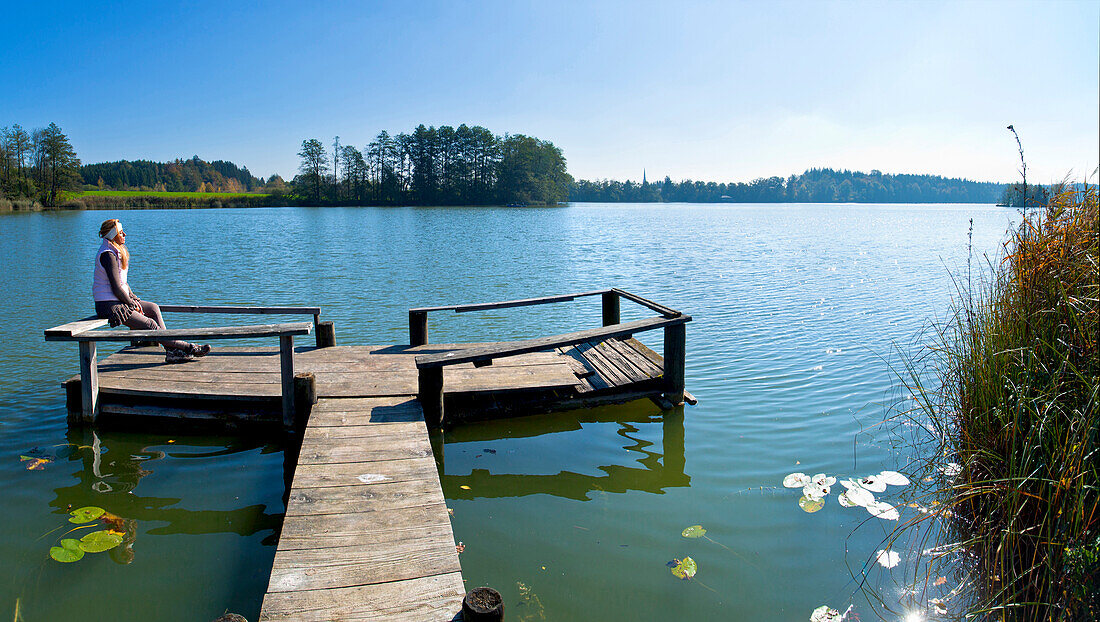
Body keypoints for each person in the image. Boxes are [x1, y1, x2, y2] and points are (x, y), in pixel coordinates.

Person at [92, 219, 210, 363]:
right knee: (150, 325)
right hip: (110, 305)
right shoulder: (108, 254)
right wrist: (131, 304)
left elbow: (123, 283)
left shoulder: (115, 251)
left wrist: (132, 296)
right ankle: (187, 347)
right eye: (121, 232)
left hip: (118, 299)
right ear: (113, 235)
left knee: (153, 308)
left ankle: (171, 350)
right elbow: (116, 287)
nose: (125, 234)